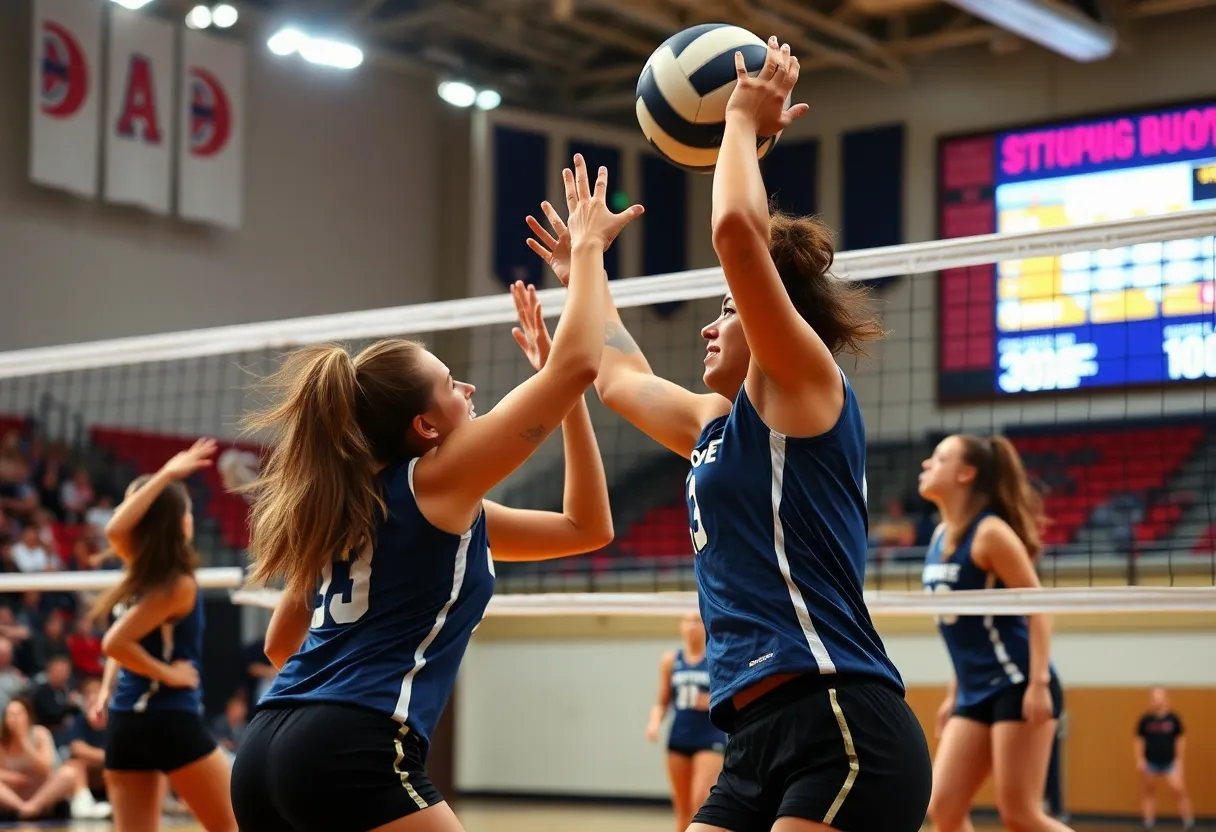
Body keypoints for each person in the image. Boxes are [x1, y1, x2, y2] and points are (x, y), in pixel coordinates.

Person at [526, 41, 930, 832]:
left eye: (728, 311)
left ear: (776, 316)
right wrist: (585, 266)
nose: (710, 328)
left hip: (839, 719)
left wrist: (739, 121)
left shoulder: (808, 388)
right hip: (751, 735)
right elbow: (613, 378)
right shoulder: (718, 428)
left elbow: (740, 236)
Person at [229, 154, 640, 832]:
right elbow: (581, 362)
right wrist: (589, 251)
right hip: (351, 747)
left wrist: (565, 401)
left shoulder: (353, 502)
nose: (468, 390)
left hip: (269, 748)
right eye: (452, 385)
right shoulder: (437, 480)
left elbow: (584, 527)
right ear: (424, 428)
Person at [918, 434, 1072, 832]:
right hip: (972, 690)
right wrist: (954, 694)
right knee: (944, 808)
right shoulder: (938, 538)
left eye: (940, 458)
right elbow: (968, 628)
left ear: (967, 474)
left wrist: (1037, 683)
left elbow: (1039, 609)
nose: (926, 464)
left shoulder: (990, 534)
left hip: (1016, 683)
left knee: (1020, 814)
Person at [94, 445, 237, 832]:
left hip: (126, 723)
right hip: (170, 718)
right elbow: (116, 643)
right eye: (188, 511)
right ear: (180, 522)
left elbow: (114, 529)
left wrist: (165, 476)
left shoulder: (139, 569)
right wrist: (170, 675)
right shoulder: (176, 584)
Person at [646, 611, 725, 832]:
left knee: (699, 802)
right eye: (687, 621)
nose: (692, 626)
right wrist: (654, 723)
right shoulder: (671, 660)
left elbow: (731, 697)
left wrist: (711, 701)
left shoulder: (714, 657)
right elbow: (662, 701)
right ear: (681, 626)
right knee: (682, 808)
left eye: (697, 621)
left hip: (710, 737)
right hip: (679, 737)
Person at [0, 695, 109, 820]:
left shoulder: (40, 734)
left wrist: (24, 743)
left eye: (18, 714)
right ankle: (22, 808)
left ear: (28, 716)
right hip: (14, 794)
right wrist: (11, 777)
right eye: (10, 715)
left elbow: (47, 767)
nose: (14, 719)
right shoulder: (2, 741)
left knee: (68, 773)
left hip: (41, 791)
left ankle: (33, 806)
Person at [1135, 687, 1193, 830]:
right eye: (1154, 698)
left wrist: (1179, 760)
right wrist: (1140, 759)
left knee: (1179, 790)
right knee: (1148, 791)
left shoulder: (1173, 719)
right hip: (1151, 761)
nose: (1157, 701)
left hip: (1170, 762)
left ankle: (1189, 822)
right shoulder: (1145, 720)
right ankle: (1148, 822)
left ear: (1166, 699)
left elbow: (1180, 740)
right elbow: (1139, 740)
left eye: (1160, 697)